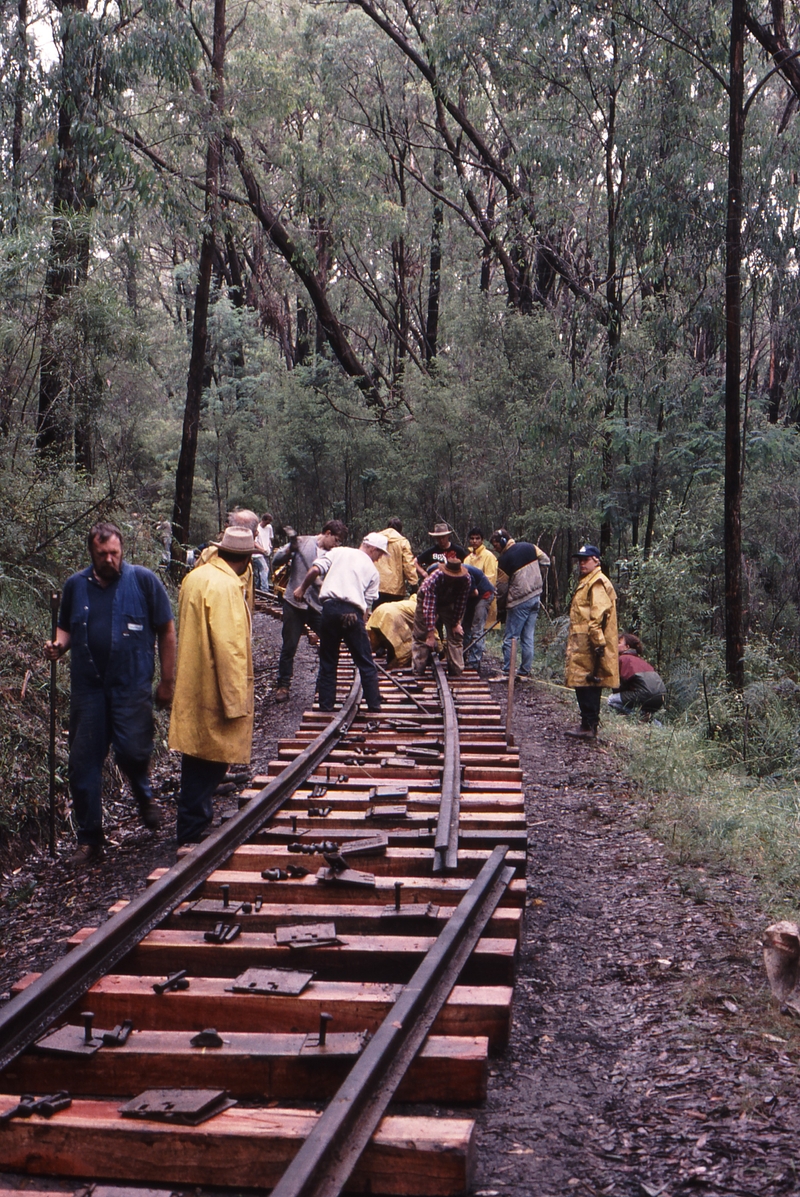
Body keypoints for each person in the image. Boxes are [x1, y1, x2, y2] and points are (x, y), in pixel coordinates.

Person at [44, 521, 176, 865]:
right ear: (92, 553)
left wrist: (167, 681)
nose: (109, 559)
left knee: (132, 752)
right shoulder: (76, 585)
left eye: (114, 552)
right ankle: (90, 840)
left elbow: (166, 630)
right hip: (88, 689)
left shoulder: (144, 581)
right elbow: (65, 627)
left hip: (131, 687)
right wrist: (59, 646)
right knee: (82, 764)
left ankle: (144, 795)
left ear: (122, 551)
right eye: (102, 553)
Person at [168, 527, 255, 844]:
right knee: (208, 761)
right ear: (246, 559)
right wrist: (236, 702)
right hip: (215, 688)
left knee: (198, 756)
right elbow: (229, 647)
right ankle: (191, 831)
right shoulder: (228, 586)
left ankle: (192, 824)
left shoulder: (196, 576)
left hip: (195, 680)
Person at [294, 533, 388, 712]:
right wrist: (363, 628)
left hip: (330, 609)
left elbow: (315, 570)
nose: (380, 558)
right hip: (353, 612)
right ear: (372, 548)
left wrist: (301, 588)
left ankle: (326, 705)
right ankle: (374, 705)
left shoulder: (338, 552)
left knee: (328, 659)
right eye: (380, 553)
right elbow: (367, 605)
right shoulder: (373, 572)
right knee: (365, 661)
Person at [271, 520, 348, 703]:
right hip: (294, 603)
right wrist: (290, 549)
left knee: (329, 644)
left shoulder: (335, 554)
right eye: (335, 540)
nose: (336, 545)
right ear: (327, 533)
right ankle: (283, 685)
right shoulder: (303, 541)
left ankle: (322, 686)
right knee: (289, 646)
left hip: (318, 606)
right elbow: (276, 560)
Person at [564, 544, 619, 739]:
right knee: (584, 681)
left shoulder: (597, 582)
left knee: (587, 682)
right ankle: (587, 724)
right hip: (583, 641)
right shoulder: (587, 581)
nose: (581, 563)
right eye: (580, 560)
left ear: (596, 560)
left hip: (590, 643)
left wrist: (598, 644)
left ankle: (589, 725)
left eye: (585, 560)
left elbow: (598, 615)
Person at [490, 529, 550, 681]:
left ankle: (507, 673)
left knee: (511, 637)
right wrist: (536, 577)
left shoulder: (504, 560)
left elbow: (502, 589)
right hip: (536, 597)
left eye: (496, 545)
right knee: (527, 637)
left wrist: (501, 609)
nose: (495, 549)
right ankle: (524, 672)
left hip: (519, 601)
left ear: (503, 541)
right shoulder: (530, 547)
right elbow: (546, 561)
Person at [412, 560, 471, 676]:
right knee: (421, 635)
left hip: (449, 602)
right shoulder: (433, 579)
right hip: (426, 598)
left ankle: (456, 670)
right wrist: (430, 635)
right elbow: (429, 608)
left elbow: (460, 603)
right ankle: (418, 670)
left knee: (456, 635)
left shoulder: (466, 580)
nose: (452, 579)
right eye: (450, 576)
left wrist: (455, 623)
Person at [609, 632, 666, 717]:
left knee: (611, 700)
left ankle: (640, 716)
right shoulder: (641, 661)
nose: (615, 645)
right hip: (660, 697)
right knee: (642, 708)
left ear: (627, 647)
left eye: (618, 643)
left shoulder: (623, 659)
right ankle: (650, 718)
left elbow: (620, 684)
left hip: (644, 695)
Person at [367, 594, 429, 670]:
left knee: (389, 638)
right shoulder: (420, 608)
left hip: (378, 611)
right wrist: (440, 649)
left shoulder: (407, 604)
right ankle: (395, 667)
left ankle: (388, 658)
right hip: (390, 616)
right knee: (405, 646)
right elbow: (429, 629)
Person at [374, 518, 418, 606]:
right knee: (394, 616)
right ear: (400, 530)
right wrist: (414, 584)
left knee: (377, 616)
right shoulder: (402, 542)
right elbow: (408, 564)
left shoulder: (376, 539)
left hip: (378, 586)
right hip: (395, 588)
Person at [462, 562, 496, 671]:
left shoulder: (465, 575)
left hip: (484, 595)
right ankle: (461, 656)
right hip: (471, 598)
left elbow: (475, 593)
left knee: (476, 628)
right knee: (464, 626)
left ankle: (474, 661)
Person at [465, 527, 498, 629]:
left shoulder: (488, 556)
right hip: (470, 596)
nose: (474, 541)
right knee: (467, 625)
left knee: (478, 627)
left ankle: (478, 645)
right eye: (472, 538)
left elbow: (491, 578)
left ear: (482, 540)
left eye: (477, 538)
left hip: (483, 595)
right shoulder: (467, 559)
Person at [254, 512, 273, 591]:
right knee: (265, 569)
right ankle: (265, 590)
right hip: (257, 554)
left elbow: (270, 538)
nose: (267, 524)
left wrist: (269, 546)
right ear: (263, 520)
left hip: (266, 553)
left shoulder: (269, 527)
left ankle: (257, 589)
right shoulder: (257, 529)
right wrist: (262, 550)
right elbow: (254, 542)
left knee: (262, 572)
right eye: (266, 522)